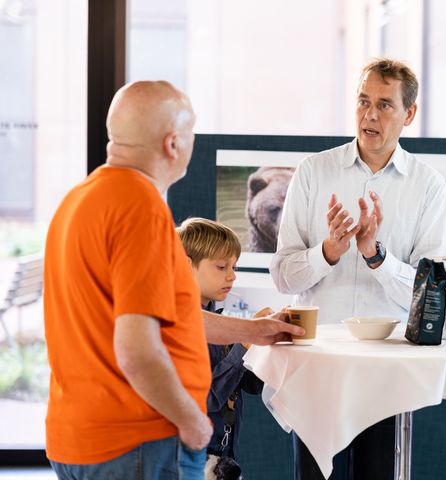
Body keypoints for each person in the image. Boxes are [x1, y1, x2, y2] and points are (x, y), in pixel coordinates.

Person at [43, 80, 302, 480]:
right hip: (137, 443)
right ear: (172, 143)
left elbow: (166, 317)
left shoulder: (78, 201)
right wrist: (193, 422)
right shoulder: (140, 209)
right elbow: (137, 349)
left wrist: (255, 330)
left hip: (79, 439)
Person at [271, 58, 446, 479]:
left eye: (385, 105)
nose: (370, 115)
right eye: (363, 101)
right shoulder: (314, 172)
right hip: (319, 364)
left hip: (387, 370)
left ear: (409, 114)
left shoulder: (428, 187)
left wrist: (377, 257)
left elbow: (432, 297)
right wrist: (328, 252)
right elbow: (282, 276)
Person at [177, 217, 265, 479]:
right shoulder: (179, 327)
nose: (232, 275)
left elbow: (249, 385)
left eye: (234, 266)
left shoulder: (220, 320)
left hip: (223, 455)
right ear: (185, 266)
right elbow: (205, 399)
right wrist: (246, 342)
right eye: (221, 266)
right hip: (192, 461)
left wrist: (266, 347)